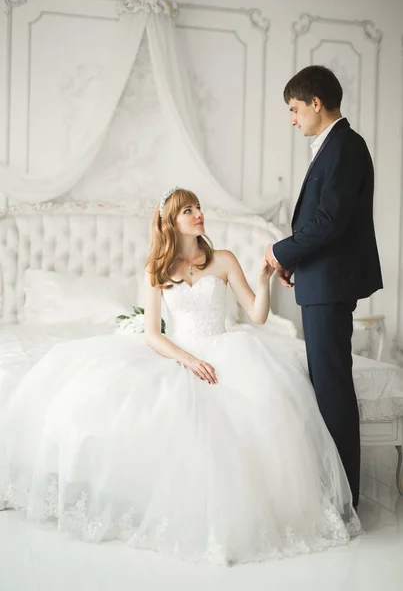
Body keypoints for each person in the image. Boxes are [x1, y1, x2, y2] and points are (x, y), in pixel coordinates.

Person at [0, 188, 360, 565]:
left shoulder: (222, 260)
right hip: (179, 354)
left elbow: (257, 316)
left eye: (198, 207)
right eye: (188, 210)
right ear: (171, 221)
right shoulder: (157, 268)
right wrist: (187, 360)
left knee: (255, 408)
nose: (198, 214)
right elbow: (153, 335)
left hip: (225, 351)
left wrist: (264, 276)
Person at [266, 65, 383, 509]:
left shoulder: (345, 147)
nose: (292, 119)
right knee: (326, 382)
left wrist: (281, 251)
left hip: (331, 284)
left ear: (316, 103)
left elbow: (329, 221)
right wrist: (296, 261)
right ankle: (335, 490)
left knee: (332, 385)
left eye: (295, 109)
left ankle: (344, 499)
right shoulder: (333, 146)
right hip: (321, 279)